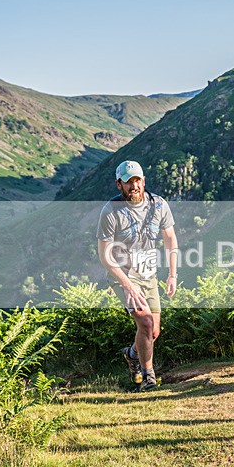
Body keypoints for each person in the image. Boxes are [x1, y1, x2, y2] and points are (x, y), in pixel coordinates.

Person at [97, 160, 178, 391]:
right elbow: (105, 256)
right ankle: (148, 376)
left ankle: (132, 355)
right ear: (119, 184)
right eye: (128, 182)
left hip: (148, 274)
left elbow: (170, 239)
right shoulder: (110, 211)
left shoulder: (159, 205)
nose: (134, 186)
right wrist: (129, 287)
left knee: (153, 331)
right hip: (122, 275)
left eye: (137, 180)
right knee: (145, 322)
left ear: (143, 181)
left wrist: (172, 274)